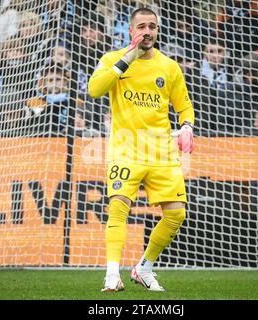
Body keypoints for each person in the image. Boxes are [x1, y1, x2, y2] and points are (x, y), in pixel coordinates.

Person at [88, 7, 194, 292]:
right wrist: (127, 58)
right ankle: (112, 274)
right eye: (141, 27)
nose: (147, 31)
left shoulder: (169, 67)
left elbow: (184, 106)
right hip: (126, 149)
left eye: (152, 27)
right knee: (118, 206)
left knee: (177, 214)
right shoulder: (112, 59)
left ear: (157, 30)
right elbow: (95, 89)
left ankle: (144, 267)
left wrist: (187, 127)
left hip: (161, 151)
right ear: (130, 30)